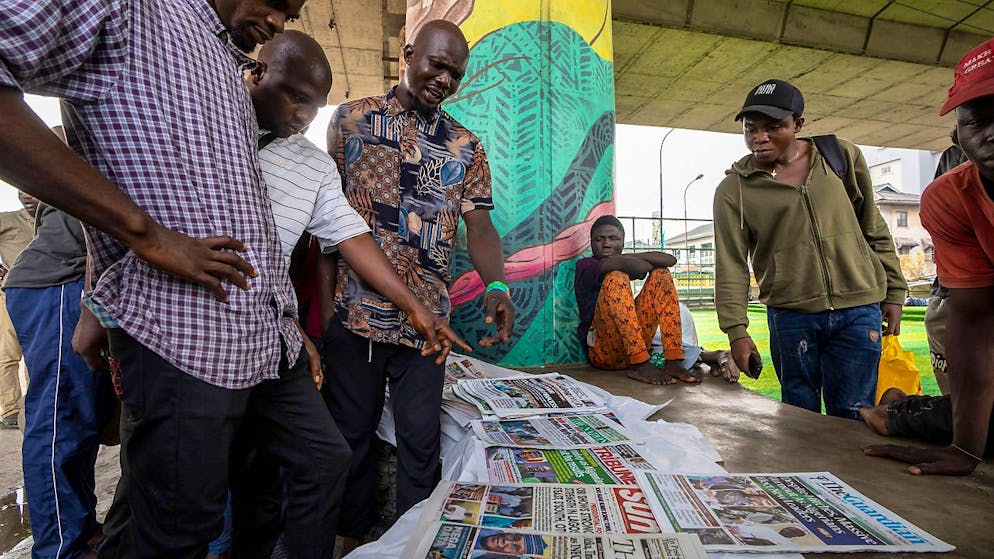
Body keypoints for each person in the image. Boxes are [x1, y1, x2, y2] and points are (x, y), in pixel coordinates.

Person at [0, 1, 354, 557]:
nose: (281, 21)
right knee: (179, 524)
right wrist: (145, 235)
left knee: (318, 462)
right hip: (184, 333)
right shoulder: (132, 10)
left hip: (262, 333)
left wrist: (288, 322)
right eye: (279, 0)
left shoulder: (221, 56)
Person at [223, 30, 470, 557]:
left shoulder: (310, 166)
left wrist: (419, 309)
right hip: (302, 326)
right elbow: (328, 249)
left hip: (303, 331)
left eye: (311, 105)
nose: (302, 116)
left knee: (352, 451)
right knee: (214, 475)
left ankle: (404, 540)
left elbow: (344, 233)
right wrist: (324, 323)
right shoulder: (216, 126)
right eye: (294, 98)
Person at [325, 19, 515, 555]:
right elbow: (326, 218)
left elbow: (479, 226)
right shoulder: (350, 120)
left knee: (419, 441)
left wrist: (495, 284)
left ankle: (414, 541)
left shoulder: (465, 147)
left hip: (428, 323)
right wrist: (319, 314)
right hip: (356, 314)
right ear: (409, 54)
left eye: (455, 73)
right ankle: (351, 539)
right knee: (352, 439)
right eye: (436, 64)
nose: (444, 79)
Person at [713, 79, 908, 420]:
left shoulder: (840, 157)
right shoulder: (734, 190)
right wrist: (736, 331)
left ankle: (849, 475)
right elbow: (731, 264)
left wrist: (894, 292)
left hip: (859, 310)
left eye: (774, 127)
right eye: (751, 129)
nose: (760, 138)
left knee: (854, 413)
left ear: (797, 125)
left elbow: (872, 226)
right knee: (798, 415)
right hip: (792, 316)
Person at [863, 38, 994, 475]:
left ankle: (899, 413)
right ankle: (897, 412)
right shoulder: (949, 198)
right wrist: (965, 450)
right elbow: (974, 318)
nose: (993, 132)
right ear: (958, 136)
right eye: (978, 122)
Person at [4, 127, 113, 558]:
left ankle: (80, 527)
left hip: (68, 284)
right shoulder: (80, 131)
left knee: (82, 418)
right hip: (58, 283)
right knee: (59, 420)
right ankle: (59, 547)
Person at [573, 215, 698, 385]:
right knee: (616, 276)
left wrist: (627, 256)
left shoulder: (621, 259)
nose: (606, 244)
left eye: (613, 238)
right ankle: (640, 364)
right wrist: (627, 260)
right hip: (602, 351)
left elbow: (670, 260)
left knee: (661, 274)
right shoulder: (586, 265)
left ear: (623, 242)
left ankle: (673, 361)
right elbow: (637, 267)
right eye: (599, 239)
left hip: (634, 344)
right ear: (591, 242)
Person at [0, 189, 36, 428]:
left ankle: (32, 404)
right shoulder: (8, 220)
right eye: (21, 192)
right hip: (11, 294)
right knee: (8, 355)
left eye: (31, 192)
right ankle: (11, 410)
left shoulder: (53, 222)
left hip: (44, 296)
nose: (26, 196)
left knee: (36, 354)